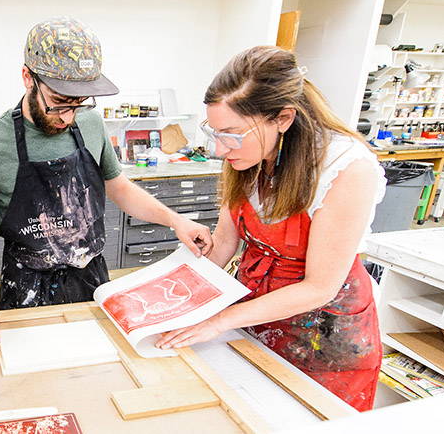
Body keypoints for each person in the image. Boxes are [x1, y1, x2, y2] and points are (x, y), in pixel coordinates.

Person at [0, 17, 214, 354]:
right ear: (28, 78)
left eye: (79, 104)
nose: (68, 117)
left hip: (92, 276)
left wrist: (176, 220)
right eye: (59, 102)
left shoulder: (90, 124)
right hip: (27, 283)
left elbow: (119, 188)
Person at [154, 46, 384, 411]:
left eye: (230, 133)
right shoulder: (249, 157)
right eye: (214, 132)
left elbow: (319, 288)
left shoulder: (345, 167)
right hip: (254, 313)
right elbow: (224, 245)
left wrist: (218, 321)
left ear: (283, 118)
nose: (219, 149)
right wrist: (166, 297)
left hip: (323, 336)